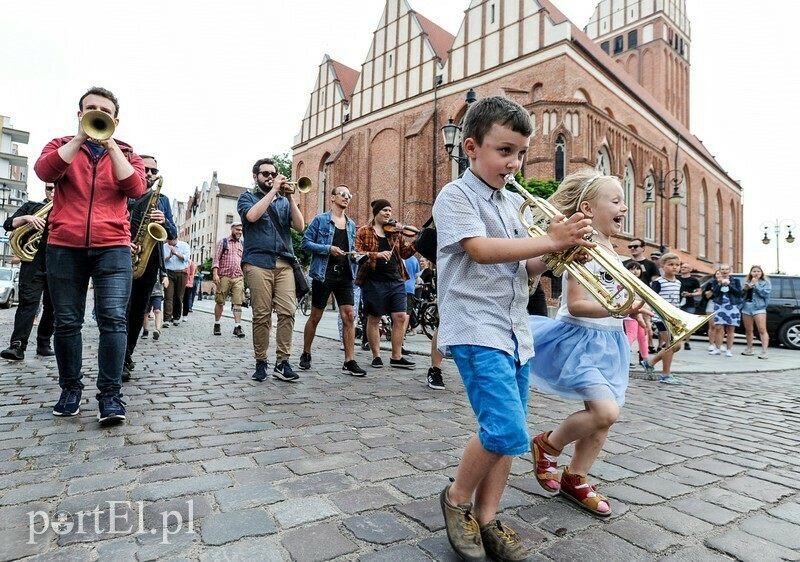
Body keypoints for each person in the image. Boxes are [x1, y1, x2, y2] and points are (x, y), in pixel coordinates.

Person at [433, 96, 594, 561]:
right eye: (505, 151)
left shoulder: (511, 202)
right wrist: (552, 237)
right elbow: (480, 250)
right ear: (470, 147)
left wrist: (559, 255)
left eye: (520, 153)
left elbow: (525, 268)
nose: (515, 163)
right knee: (504, 431)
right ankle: (456, 501)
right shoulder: (456, 195)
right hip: (475, 328)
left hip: (514, 330)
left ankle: (487, 518)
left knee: (510, 432)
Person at [529, 169, 641, 519]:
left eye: (624, 200)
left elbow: (613, 301)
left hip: (610, 343)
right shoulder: (585, 245)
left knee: (604, 419)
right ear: (589, 209)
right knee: (605, 411)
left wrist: (633, 307)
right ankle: (548, 444)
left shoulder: (612, 249)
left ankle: (576, 478)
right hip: (580, 340)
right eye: (616, 200)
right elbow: (576, 304)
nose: (624, 207)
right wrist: (620, 306)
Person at [34, 86, 146, 423]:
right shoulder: (60, 145)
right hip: (64, 246)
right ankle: (70, 389)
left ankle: (110, 396)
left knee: (113, 319)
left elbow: (136, 188)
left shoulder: (127, 153)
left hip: (111, 246)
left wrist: (111, 146)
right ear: (80, 113)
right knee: (67, 321)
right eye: (90, 108)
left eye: (104, 110)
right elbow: (45, 172)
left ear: (116, 119)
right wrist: (79, 139)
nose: (97, 113)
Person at [238, 157, 304, 382]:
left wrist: (290, 197)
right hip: (257, 262)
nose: (270, 177)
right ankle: (260, 361)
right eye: (265, 174)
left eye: (273, 174)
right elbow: (252, 216)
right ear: (255, 176)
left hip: (284, 262)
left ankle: (282, 361)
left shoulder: (283, 201)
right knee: (262, 315)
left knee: (288, 311)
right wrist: (273, 191)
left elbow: (300, 226)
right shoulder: (246, 197)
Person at [300, 185, 366, 376]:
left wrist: (357, 256)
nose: (347, 198)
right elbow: (306, 243)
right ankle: (306, 352)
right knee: (316, 316)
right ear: (332, 197)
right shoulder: (321, 220)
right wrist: (328, 248)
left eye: (349, 195)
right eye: (343, 194)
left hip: (345, 275)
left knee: (349, 316)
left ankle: (349, 360)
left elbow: (351, 248)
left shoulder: (351, 224)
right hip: (324, 273)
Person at [123, 155, 177, 381]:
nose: (150, 174)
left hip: (149, 261)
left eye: (154, 171)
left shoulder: (162, 200)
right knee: (118, 312)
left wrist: (164, 221)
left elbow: (172, 236)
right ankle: (116, 355)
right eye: (145, 169)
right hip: (120, 254)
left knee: (137, 312)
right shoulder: (124, 192)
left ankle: (126, 355)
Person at [355, 200, 417, 370]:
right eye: (384, 210)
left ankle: (397, 356)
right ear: (376, 212)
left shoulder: (394, 232)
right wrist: (376, 255)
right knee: (374, 317)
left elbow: (404, 254)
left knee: (400, 317)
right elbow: (356, 255)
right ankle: (376, 355)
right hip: (373, 280)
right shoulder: (363, 232)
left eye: (390, 210)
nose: (388, 213)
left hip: (396, 279)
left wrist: (415, 243)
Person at [1, 183, 56, 361]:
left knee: (53, 307)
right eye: (49, 188)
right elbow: (8, 224)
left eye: (57, 187)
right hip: (32, 263)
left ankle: (44, 343)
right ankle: (17, 345)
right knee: (28, 304)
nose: (53, 191)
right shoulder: (32, 206)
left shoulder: (68, 208)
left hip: (58, 263)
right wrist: (27, 218)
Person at [646, 253, 684, 384]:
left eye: (677, 265)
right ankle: (666, 374)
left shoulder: (678, 282)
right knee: (671, 345)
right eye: (671, 264)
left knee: (676, 346)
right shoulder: (657, 283)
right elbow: (651, 300)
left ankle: (651, 362)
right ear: (662, 266)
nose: (674, 267)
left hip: (675, 319)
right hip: (661, 318)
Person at [212, 222, 246, 338]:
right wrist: (215, 274)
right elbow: (216, 259)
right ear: (232, 229)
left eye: (241, 230)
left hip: (238, 277)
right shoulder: (223, 242)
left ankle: (237, 327)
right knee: (220, 301)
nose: (239, 232)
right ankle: (217, 324)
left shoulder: (242, 244)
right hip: (224, 276)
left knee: (238, 303)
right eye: (237, 230)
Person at [623, 262, 656, 378]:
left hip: (642, 312)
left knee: (643, 337)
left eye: (637, 269)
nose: (635, 271)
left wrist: (648, 321)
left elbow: (645, 300)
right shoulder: (625, 283)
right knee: (631, 335)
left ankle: (646, 360)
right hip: (631, 312)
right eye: (632, 269)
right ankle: (623, 355)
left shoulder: (643, 284)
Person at [709, 263, 742, 356]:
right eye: (722, 269)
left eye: (726, 269)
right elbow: (714, 293)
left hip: (732, 305)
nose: (724, 271)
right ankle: (718, 349)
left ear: (729, 270)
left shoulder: (736, 281)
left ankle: (729, 350)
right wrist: (720, 284)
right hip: (720, 305)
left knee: (731, 328)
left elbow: (739, 293)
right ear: (719, 270)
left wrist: (729, 285)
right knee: (718, 327)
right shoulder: (715, 281)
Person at [741, 265, 771, 359]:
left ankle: (764, 351)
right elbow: (740, 294)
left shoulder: (765, 283)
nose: (756, 273)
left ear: (761, 273)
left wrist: (756, 284)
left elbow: (765, 294)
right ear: (750, 273)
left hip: (759, 307)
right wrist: (745, 289)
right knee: (749, 330)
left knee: (762, 329)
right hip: (747, 306)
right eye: (754, 271)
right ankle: (749, 349)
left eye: (758, 271)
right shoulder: (746, 282)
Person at [162, 236, 190, 327]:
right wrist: (169, 256)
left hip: (181, 273)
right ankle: (167, 319)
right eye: (168, 240)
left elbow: (186, 258)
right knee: (168, 296)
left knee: (179, 296)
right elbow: (162, 261)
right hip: (169, 273)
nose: (168, 242)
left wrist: (175, 253)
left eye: (170, 240)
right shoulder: (164, 246)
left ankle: (176, 317)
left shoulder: (184, 245)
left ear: (175, 238)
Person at [678, 263, 702, 350]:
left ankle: (687, 342)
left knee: (688, 324)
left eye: (685, 267)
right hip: (677, 303)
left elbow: (699, 292)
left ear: (690, 270)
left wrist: (690, 294)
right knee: (678, 323)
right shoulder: (677, 278)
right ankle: (677, 341)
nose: (683, 268)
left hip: (689, 304)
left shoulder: (694, 280)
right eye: (682, 267)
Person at [142, 271, 168, 340]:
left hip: (157, 292)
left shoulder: (159, 263)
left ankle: (157, 330)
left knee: (157, 311)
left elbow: (163, 271)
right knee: (146, 313)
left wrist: (165, 277)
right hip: (146, 291)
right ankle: (145, 330)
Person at [702, 270, 721, 351]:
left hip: (722, 304)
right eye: (717, 273)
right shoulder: (711, 283)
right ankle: (711, 343)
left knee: (720, 327)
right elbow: (707, 296)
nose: (719, 275)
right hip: (712, 303)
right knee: (712, 325)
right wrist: (715, 287)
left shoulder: (728, 283)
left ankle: (719, 344)